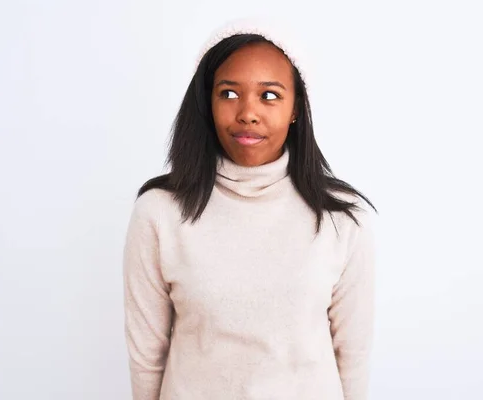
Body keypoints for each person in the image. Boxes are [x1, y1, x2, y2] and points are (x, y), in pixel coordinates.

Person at [122, 20, 378, 400]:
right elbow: (146, 356)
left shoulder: (344, 218)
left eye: (270, 95)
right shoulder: (159, 212)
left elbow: (353, 356)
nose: (248, 113)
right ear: (206, 104)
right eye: (228, 94)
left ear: (296, 109)